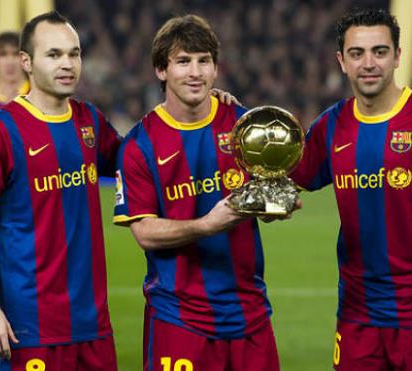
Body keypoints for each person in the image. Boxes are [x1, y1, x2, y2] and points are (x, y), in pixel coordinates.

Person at [290, 8, 412, 370]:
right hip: (356, 315)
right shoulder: (330, 126)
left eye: (379, 52)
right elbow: (283, 176)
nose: (368, 63)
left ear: (397, 56)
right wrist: (227, 112)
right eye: (357, 53)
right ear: (341, 61)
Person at [114, 15, 284, 371]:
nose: (195, 72)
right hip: (179, 319)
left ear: (216, 68)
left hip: (249, 314)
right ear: (161, 70)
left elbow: (273, 198)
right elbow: (143, 232)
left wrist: (276, 202)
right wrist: (207, 225)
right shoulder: (139, 145)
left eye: (203, 60)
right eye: (183, 61)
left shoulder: (241, 123)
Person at [0, 11, 120, 370]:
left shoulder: (89, 120)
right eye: (54, 55)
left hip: (93, 325)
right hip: (27, 327)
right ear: (27, 62)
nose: (68, 64)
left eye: (74, 53)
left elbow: (140, 159)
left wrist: (198, 101)